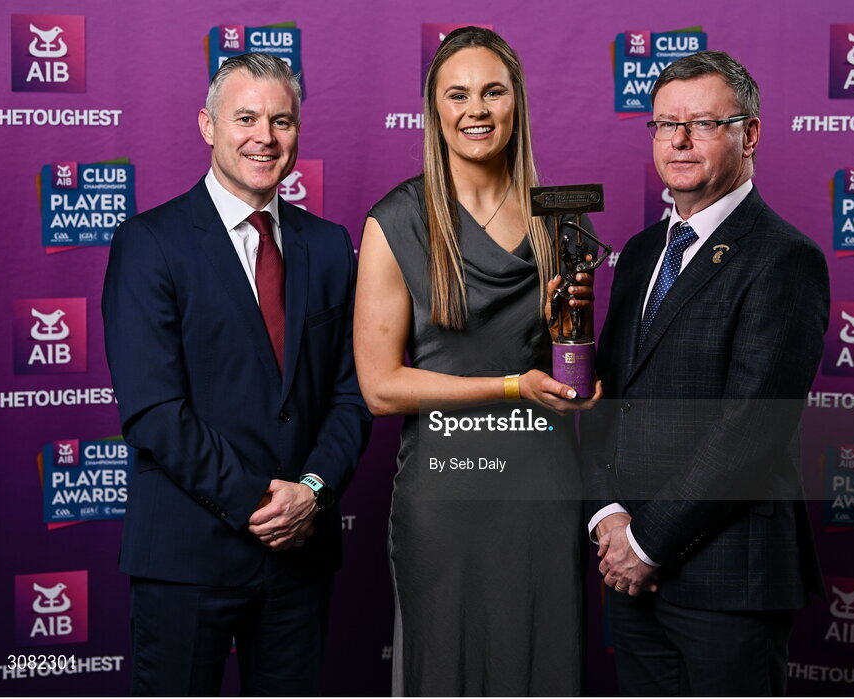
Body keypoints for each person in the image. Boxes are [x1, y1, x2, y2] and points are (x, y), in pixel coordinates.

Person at [102, 52, 371, 696]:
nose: (265, 137)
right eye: (246, 118)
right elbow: (152, 410)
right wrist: (258, 500)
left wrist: (310, 490)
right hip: (187, 554)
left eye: (282, 121)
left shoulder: (330, 245)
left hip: (299, 557)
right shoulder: (150, 242)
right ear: (207, 126)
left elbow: (352, 391)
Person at [354, 26, 597, 696]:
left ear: (517, 101)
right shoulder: (397, 220)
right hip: (448, 483)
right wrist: (514, 384)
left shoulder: (560, 221)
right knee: (447, 668)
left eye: (493, 90)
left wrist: (568, 336)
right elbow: (378, 386)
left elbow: (574, 377)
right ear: (435, 110)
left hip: (543, 487)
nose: (476, 109)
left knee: (543, 663)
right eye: (457, 94)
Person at [586, 50, 829, 696]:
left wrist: (646, 544)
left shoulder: (785, 259)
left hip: (728, 582)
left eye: (702, 123)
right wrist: (607, 514)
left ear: (749, 133)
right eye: (666, 124)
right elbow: (608, 399)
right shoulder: (638, 254)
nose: (680, 141)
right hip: (632, 577)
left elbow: (749, 430)